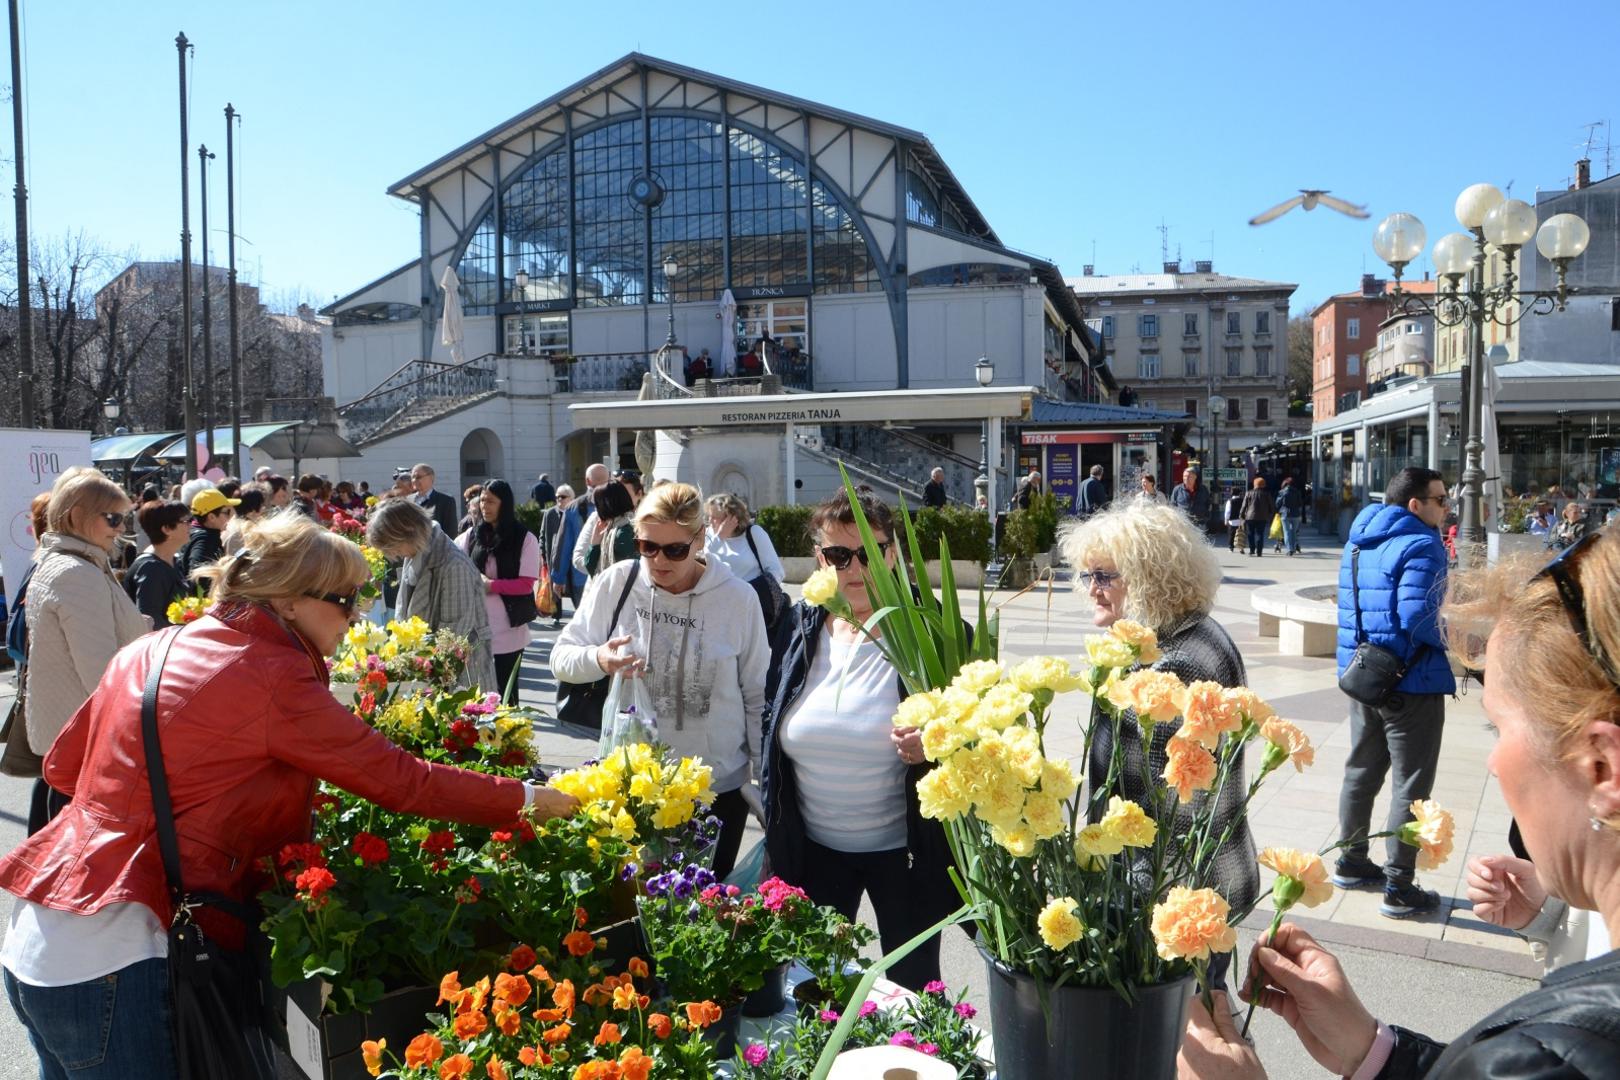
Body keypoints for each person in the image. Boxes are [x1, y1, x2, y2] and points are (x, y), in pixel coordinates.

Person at [0, 514, 579, 1079]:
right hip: (125, 952)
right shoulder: (272, 672)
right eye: (345, 598)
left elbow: (65, 766)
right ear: (287, 601)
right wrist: (531, 798)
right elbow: (404, 781)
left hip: (45, 932)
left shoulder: (153, 648)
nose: (355, 615)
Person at [1179, 528, 1620, 1080]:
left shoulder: (1554, 1052)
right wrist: (1374, 1053)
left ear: (1601, 767)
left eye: (1497, 727)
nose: (1492, 763)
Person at [760, 490, 958, 992]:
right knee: (814, 992)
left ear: (893, 554)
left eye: (871, 551)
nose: (856, 568)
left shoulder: (932, 630)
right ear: (819, 559)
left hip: (905, 853)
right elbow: (770, 714)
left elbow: (976, 732)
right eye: (839, 555)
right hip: (814, 850)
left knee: (913, 992)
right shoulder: (800, 627)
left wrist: (936, 743)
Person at [1059, 500, 1257, 985]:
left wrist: (1128, 907)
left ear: (1147, 576)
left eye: (1104, 576)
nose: (1093, 590)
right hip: (1205, 889)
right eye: (1088, 577)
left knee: (1184, 1040)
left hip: (1175, 903)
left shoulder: (1170, 667)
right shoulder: (1197, 632)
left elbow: (1173, 815)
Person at [552, 482, 768, 880]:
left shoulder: (738, 599)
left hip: (716, 789)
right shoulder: (617, 582)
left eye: (675, 550)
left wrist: (762, 782)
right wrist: (602, 658)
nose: (659, 560)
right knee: (635, 913)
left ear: (700, 538)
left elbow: (756, 695)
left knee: (702, 917)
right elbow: (562, 659)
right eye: (647, 546)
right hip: (633, 789)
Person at [1331, 466, 1455, 918]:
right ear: (1415, 505)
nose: (1446, 507)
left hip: (1364, 676)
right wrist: (1461, 642)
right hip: (1411, 683)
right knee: (1411, 785)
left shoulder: (1359, 541)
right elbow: (1419, 619)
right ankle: (1399, 887)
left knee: (1360, 770)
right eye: (1440, 500)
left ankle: (1351, 860)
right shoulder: (1423, 544)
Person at [22, 469, 150, 835]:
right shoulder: (78, 571)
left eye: (123, 517)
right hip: (84, 740)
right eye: (111, 517)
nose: (119, 526)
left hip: (67, 735)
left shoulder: (67, 560)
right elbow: (101, 673)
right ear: (78, 515)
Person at [367, 498, 498, 693]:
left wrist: (410, 663)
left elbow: (453, 638)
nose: (391, 554)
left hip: (461, 679)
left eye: (392, 546)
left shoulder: (453, 565)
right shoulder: (416, 552)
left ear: (409, 533)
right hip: (430, 670)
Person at [456, 479, 540, 702]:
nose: (485, 506)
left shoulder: (525, 539)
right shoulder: (471, 536)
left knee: (506, 695)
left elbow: (526, 584)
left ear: (505, 504)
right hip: (474, 627)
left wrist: (491, 585)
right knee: (476, 695)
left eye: (491, 501)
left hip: (508, 629)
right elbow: (454, 563)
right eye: (482, 500)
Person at [122, 500, 192, 630]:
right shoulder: (150, 569)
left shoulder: (173, 561)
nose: (191, 525)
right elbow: (150, 621)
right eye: (185, 522)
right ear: (166, 529)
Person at [178, 487, 241, 588]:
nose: (231, 516)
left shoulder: (192, 531)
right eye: (227, 512)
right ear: (211, 517)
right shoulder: (205, 539)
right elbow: (197, 574)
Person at [575, 481, 637, 579]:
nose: (596, 510)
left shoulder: (623, 533)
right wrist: (595, 542)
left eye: (597, 505)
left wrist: (594, 544)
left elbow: (591, 567)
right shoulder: (624, 526)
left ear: (606, 506)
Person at [540, 485, 580, 628]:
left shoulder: (577, 513)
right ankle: (556, 615)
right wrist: (543, 555)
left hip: (573, 558)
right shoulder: (549, 514)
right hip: (555, 557)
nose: (559, 499)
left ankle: (579, 612)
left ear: (571, 498)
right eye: (557, 496)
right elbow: (543, 536)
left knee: (575, 586)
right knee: (556, 586)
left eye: (562, 496)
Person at [411, 463, 460, 535]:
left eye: (418, 477)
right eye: (412, 477)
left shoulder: (446, 501)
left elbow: (451, 532)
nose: (414, 480)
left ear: (431, 478)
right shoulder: (407, 500)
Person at [1238, 476, 1275, 558]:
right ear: (1263, 485)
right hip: (1262, 517)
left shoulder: (1249, 493)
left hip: (1250, 517)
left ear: (1255, 484)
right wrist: (1271, 515)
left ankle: (1252, 550)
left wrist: (1241, 514)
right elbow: (1271, 506)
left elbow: (1244, 505)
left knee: (1250, 533)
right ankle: (1259, 551)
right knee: (1260, 534)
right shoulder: (1267, 494)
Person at [1171, 466, 1212, 531]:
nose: (1186, 478)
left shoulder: (1203, 489)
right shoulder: (1177, 490)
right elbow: (1173, 505)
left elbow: (1208, 504)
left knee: (1199, 541)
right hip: (1183, 525)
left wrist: (1205, 518)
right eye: (1184, 476)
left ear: (1195, 477)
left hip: (1199, 524)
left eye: (1189, 476)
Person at [1278, 476, 1304, 555]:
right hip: (1296, 514)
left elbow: (1277, 503)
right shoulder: (1297, 492)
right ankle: (1293, 547)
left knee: (1287, 532)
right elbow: (1300, 503)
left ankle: (1289, 549)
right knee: (1294, 532)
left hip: (1285, 514)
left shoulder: (1282, 492)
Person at [1224, 487, 1244, 552]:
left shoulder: (1230, 501)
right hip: (1241, 520)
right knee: (1241, 533)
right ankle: (1241, 548)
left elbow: (1227, 511)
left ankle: (1231, 547)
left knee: (1231, 534)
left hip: (1232, 520)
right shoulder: (1243, 500)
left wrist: (1226, 520)